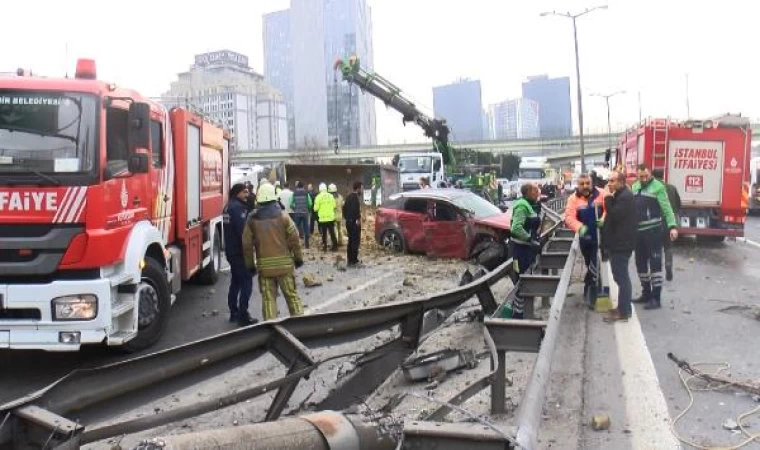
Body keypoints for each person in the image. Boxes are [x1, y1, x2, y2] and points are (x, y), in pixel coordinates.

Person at [242, 183, 305, 321]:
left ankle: (271, 330)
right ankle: (301, 326)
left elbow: (246, 244)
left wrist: (250, 266)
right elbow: (294, 239)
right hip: (285, 267)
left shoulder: (252, 219)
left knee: (268, 300)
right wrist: (298, 259)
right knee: (292, 297)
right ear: (274, 198)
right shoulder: (284, 217)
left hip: (265, 269)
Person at [632, 164, 678, 310]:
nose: (644, 179)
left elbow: (667, 208)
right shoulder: (635, 186)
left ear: (650, 174)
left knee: (655, 264)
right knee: (640, 264)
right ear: (637, 176)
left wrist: (672, 226)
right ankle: (646, 292)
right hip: (638, 232)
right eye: (641, 176)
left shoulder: (658, 187)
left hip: (653, 231)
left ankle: (656, 298)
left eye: (646, 176)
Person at [601, 171, 638, 322]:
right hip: (618, 242)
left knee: (622, 277)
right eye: (608, 180)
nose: (609, 183)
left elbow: (615, 214)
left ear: (621, 182)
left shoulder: (625, 197)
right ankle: (623, 308)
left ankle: (624, 311)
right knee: (619, 276)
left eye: (612, 181)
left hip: (622, 244)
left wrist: (608, 197)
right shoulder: (621, 194)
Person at [564, 174, 606, 309]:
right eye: (582, 184)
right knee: (590, 265)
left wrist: (604, 218)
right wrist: (579, 227)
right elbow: (569, 217)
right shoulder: (573, 199)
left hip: (599, 237)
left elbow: (609, 209)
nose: (585, 186)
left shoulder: (601, 194)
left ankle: (592, 297)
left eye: (587, 183)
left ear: (592, 183)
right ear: (578, 185)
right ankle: (589, 288)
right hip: (585, 238)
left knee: (595, 266)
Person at [223, 183, 257, 326]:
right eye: (244, 192)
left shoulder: (228, 206)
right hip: (239, 252)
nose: (247, 195)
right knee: (247, 281)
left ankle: (234, 312)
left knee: (236, 282)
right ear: (237, 193)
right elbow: (243, 233)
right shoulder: (237, 208)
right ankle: (243, 315)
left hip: (231, 251)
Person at [509, 183, 542, 319]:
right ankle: (518, 314)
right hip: (520, 250)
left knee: (526, 279)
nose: (537, 192)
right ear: (527, 192)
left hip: (527, 249)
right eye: (534, 190)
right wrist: (529, 239)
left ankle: (523, 313)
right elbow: (516, 228)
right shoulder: (522, 206)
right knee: (522, 281)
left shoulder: (529, 205)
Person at [652, 168, 681, 281]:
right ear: (663, 175)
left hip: (656, 222)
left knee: (656, 247)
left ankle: (657, 270)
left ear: (653, 177)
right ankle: (668, 265)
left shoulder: (653, 189)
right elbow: (678, 204)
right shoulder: (672, 188)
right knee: (668, 246)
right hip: (670, 223)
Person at [343, 181, 363, 266]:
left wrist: (347, 218)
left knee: (350, 241)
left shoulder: (348, 197)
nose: (362, 190)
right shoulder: (355, 199)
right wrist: (357, 220)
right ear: (358, 188)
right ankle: (354, 260)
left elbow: (343, 209)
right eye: (361, 188)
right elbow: (355, 211)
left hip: (348, 222)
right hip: (354, 223)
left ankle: (349, 260)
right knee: (355, 241)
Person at [314, 183, 338, 251]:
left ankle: (324, 247)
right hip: (330, 218)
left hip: (322, 219)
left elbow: (315, 208)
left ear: (319, 189)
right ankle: (335, 246)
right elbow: (334, 206)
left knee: (324, 233)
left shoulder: (318, 197)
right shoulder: (330, 196)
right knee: (332, 232)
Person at [290, 181, 312, 249]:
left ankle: (297, 244)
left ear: (297, 186)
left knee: (296, 228)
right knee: (306, 228)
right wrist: (308, 209)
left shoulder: (294, 193)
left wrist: (295, 209)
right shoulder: (306, 193)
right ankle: (307, 244)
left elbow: (291, 204)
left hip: (297, 213)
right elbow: (310, 203)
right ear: (303, 186)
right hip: (305, 213)